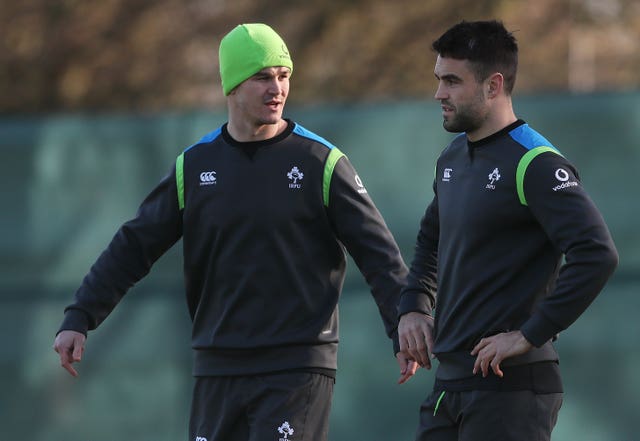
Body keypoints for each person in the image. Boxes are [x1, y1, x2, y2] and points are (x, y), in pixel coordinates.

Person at [53, 23, 414, 441]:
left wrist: (402, 324)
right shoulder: (194, 166)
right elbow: (134, 246)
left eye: (283, 76)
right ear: (232, 86)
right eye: (262, 77)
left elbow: (379, 254)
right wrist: (80, 316)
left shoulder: (322, 162)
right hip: (217, 366)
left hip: (295, 368)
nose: (276, 88)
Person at [396, 20, 618, 441]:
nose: (438, 93)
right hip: (450, 385)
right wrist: (413, 306)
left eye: (451, 81)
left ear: (493, 85)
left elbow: (597, 254)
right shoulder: (451, 159)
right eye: (438, 79)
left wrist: (529, 334)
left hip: (511, 390)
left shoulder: (535, 162)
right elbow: (430, 242)